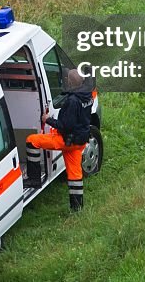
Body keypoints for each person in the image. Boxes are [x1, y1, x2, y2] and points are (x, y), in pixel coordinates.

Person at [24, 69, 94, 211]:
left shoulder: (72, 101)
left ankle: (34, 179)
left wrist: (47, 119)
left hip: (66, 140)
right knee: (75, 175)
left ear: (69, 82)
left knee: (32, 140)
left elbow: (64, 125)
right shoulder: (88, 95)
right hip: (79, 142)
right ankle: (77, 208)